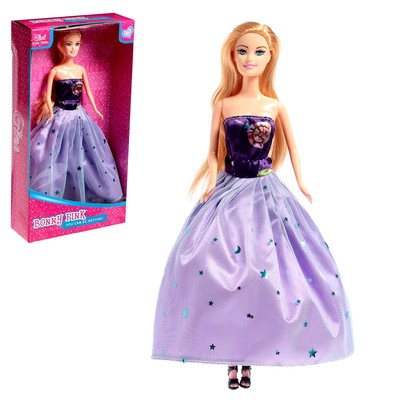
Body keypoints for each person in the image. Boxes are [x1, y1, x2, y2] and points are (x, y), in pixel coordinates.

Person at [152, 21, 354, 390]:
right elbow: (213, 153)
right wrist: (210, 181)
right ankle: (231, 360)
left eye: (259, 51)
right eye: (243, 51)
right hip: (229, 191)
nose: (250, 58)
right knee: (215, 266)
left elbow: (294, 149)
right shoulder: (223, 104)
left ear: (270, 57)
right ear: (232, 56)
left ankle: (253, 355)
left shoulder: (275, 106)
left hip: (266, 192)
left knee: (267, 270)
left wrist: (302, 181)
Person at [30, 29, 123, 203]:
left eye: (77, 44)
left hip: (79, 115)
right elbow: (48, 95)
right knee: (56, 152)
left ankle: (92, 191)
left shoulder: (80, 69)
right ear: (60, 45)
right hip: (61, 116)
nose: (73, 48)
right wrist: (50, 113)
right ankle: (53, 197)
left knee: (86, 152)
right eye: (69, 44)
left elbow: (88, 92)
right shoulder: (56, 71)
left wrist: (96, 109)